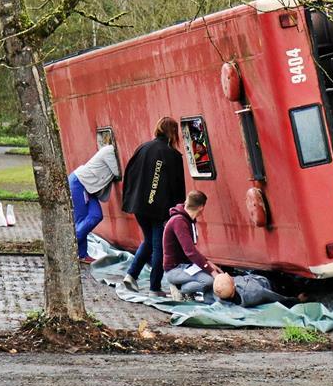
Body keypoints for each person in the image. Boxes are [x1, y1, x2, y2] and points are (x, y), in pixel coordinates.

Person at [120, 117, 185, 293]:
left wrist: (129, 200)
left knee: (148, 240)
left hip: (139, 206)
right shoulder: (172, 155)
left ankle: (131, 275)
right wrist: (178, 211)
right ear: (173, 133)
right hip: (159, 209)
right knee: (159, 247)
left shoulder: (143, 148)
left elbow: (130, 175)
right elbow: (177, 186)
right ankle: (155, 287)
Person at [161, 190, 222, 298]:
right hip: (175, 269)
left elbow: (192, 251)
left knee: (210, 275)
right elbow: (190, 252)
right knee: (209, 281)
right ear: (201, 208)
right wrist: (212, 271)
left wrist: (208, 263)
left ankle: (210, 301)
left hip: (186, 266)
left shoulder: (186, 219)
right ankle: (179, 288)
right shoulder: (179, 221)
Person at [68, 143, 120, 263]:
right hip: (79, 183)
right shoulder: (109, 151)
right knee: (82, 220)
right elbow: (117, 172)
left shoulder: (109, 151)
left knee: (96, 215)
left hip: (88, 186)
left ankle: (79, 252)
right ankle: (74, 249)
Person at [212, 272, 300, 307]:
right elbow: (275, 297)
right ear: (234, 286)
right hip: (270, 284)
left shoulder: (220, 293)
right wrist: (297, 300)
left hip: (251, 276)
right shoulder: (253, 292)